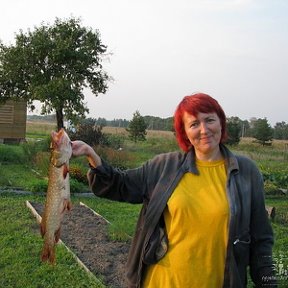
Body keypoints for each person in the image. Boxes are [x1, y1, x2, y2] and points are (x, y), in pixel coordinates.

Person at [72, 93, 276, 288]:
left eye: (209, 120)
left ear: (221, 122)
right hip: (162, 281)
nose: (204, 130)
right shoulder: (164, 166)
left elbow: (262, 239)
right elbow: (120, 185)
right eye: (194, 124)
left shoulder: (246, 171)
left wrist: (267, 282)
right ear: (185, 132)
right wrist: (91, 155)